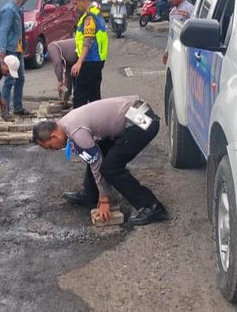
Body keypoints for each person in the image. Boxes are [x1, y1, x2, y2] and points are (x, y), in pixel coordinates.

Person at [32, 96, 168, 226]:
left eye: (50, 147)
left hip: (142, 120)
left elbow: (95, 163)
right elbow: (93, 152)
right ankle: (91, 194)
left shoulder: (76, 132)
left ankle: (152, 206)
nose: (53, 150)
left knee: (110, 168)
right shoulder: (66, 123)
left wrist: (104, 200)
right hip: (136, 113)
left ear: (53, 136)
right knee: (98, 151)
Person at [0, 0, 32, 117]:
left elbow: (19, 30)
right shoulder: (9, 10)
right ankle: (4, 110)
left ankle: (18, 108)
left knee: (20, 78)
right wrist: (2, 50)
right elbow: (4, 30)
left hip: (18, 49)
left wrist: (24, 44)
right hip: (10, 50)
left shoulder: (18, 9)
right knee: (10, 80)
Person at [69, 0, 108, 108]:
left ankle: (78, 124)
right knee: (94, 95)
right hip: (97, 60)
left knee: (80, 96)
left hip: (89, 60)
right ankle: (97, 122)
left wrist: (79, 62)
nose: (74, 7)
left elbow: (88, 40)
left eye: (75, 4)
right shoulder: (95, 12)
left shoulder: (89, 17)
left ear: (83, 0)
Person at [162, 0, 196, 65]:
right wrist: (167, 51)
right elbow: (171, 34)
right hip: (175, 51)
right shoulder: (172, 12)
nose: (169, 0)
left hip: (186, 52)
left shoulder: (190, 10)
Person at [47, 38, 77, 108]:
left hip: (83, 55)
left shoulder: (51, 47)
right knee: (69, 79)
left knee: (79, 83)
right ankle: (67, 100)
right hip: (75, 58)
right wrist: (65, 99)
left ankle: (79, 105)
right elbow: (68, 78)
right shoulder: (67, 57)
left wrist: (60, 81)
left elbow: (57, 64)